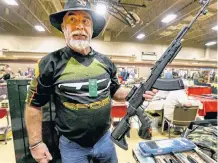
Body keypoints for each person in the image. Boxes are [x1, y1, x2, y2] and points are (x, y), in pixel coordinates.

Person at [24, 1, 157, 163]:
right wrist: (36, 143)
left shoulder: (106, 62)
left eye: (85, 21)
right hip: (72, 146)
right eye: (72, 20)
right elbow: (33, 104)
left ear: (92, 29)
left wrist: (138, 91)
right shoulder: (49, 63)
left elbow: (115, 92)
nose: (79, 26)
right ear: (63, 28)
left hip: (106, 139)